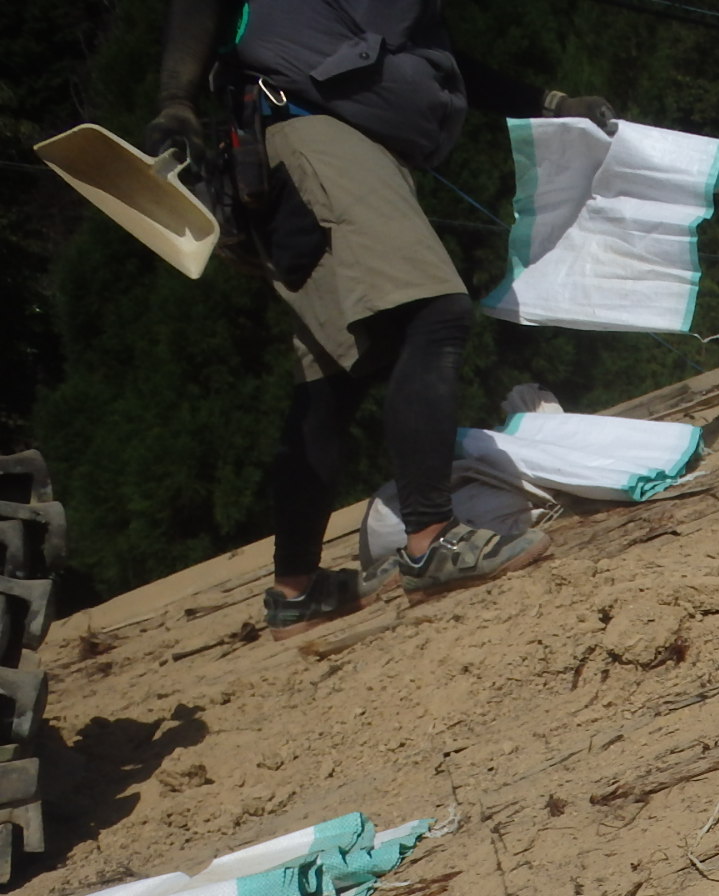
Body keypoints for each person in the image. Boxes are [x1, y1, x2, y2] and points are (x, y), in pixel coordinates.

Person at [145, 0, 618, 638]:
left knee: (333, 377)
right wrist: (175, 102)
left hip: (311, 146)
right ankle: (430, 545)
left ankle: (297, 589)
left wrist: (550, 102)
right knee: (434, 313)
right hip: (314, 133)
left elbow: (441, 66)